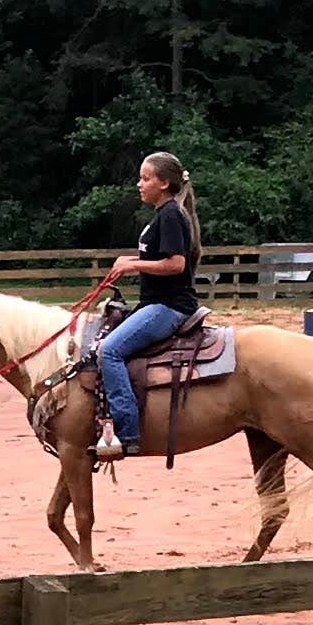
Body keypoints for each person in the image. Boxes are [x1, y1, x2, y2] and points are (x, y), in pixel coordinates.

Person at [91, 151, 202, 461]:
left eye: (146, 178)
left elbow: (176, 264)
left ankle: (126, 433)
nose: (139, 184)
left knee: (109, 351)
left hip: (168, 306)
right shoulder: (164, 213)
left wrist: (133, 267)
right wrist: (131, 261)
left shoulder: (169, 215)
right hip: (156, 303)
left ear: (164, 183)